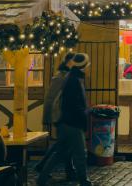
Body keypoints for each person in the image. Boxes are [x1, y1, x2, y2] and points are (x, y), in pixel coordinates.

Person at [38, 53, 93, 186]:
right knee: (80, 153)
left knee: (60, 152)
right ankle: (84, 181)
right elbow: (73, 104)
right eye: (88, 65)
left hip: (65, 122)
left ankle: (41, 179)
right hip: (72, 122)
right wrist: (85, 113)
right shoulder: (73, 80)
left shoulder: (71, 77)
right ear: (83, 66)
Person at [38, 53, 76, 179]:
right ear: (68, 62)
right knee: (64, 146)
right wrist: (47, 117)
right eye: (73, 61)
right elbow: (51, 98)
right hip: (61, 116)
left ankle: (43, 166)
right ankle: (46, 170)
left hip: (65, 116)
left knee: (62, 144)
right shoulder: (60, 77)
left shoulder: (68, 75)